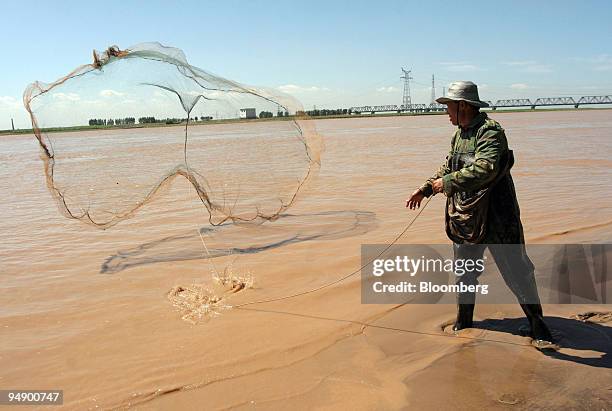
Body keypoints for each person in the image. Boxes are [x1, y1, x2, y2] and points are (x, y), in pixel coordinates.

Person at [405, 81, 555, 346]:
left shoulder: (490, 132)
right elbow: (448, 166)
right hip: (467, 217)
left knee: (516, 270)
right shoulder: (459, 134)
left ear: (463, 106)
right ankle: (464, 322)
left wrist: (447, 183)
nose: (446, 113)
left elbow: (486, 168)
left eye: (448, 107)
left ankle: (538, 326)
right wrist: (427, 188)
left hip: (498, 216)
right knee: (464, 270)